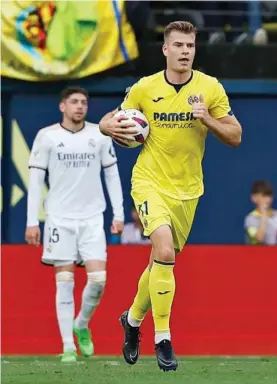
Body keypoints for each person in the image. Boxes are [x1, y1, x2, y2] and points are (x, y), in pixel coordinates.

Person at [99, 21, 242, 371]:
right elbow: (110, 118)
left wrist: (207, 118)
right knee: (163, 250)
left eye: (190, 46)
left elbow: (236, 135)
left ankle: (132, 321)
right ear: (165, 49)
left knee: (159, 263)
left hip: (188, 190)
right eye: (178, 45)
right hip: (149, 181)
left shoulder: (209, 88)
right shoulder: (145, 88)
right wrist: (106, 126)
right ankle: (163, 338)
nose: (184, 51)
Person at [25, 86, 124, 363]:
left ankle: (81, 323)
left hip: (92, 217)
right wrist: (33, 222)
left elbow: (112, 176)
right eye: (74, 102)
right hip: (59, 217)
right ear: (62, 107)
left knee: (98, 280)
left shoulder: (100, 135)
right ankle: (68, 345)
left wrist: (118, 214)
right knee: (65, 281)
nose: (80, 107)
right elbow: (35, 183)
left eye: (83, 102)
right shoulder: (47, 137)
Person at [244, 180, 277, 245]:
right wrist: (264, 215)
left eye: (269, 196)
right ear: (254, 198)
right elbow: (259, 239)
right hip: (258, 254)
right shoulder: (250, 219)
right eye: (264, 196)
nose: (268, 200)